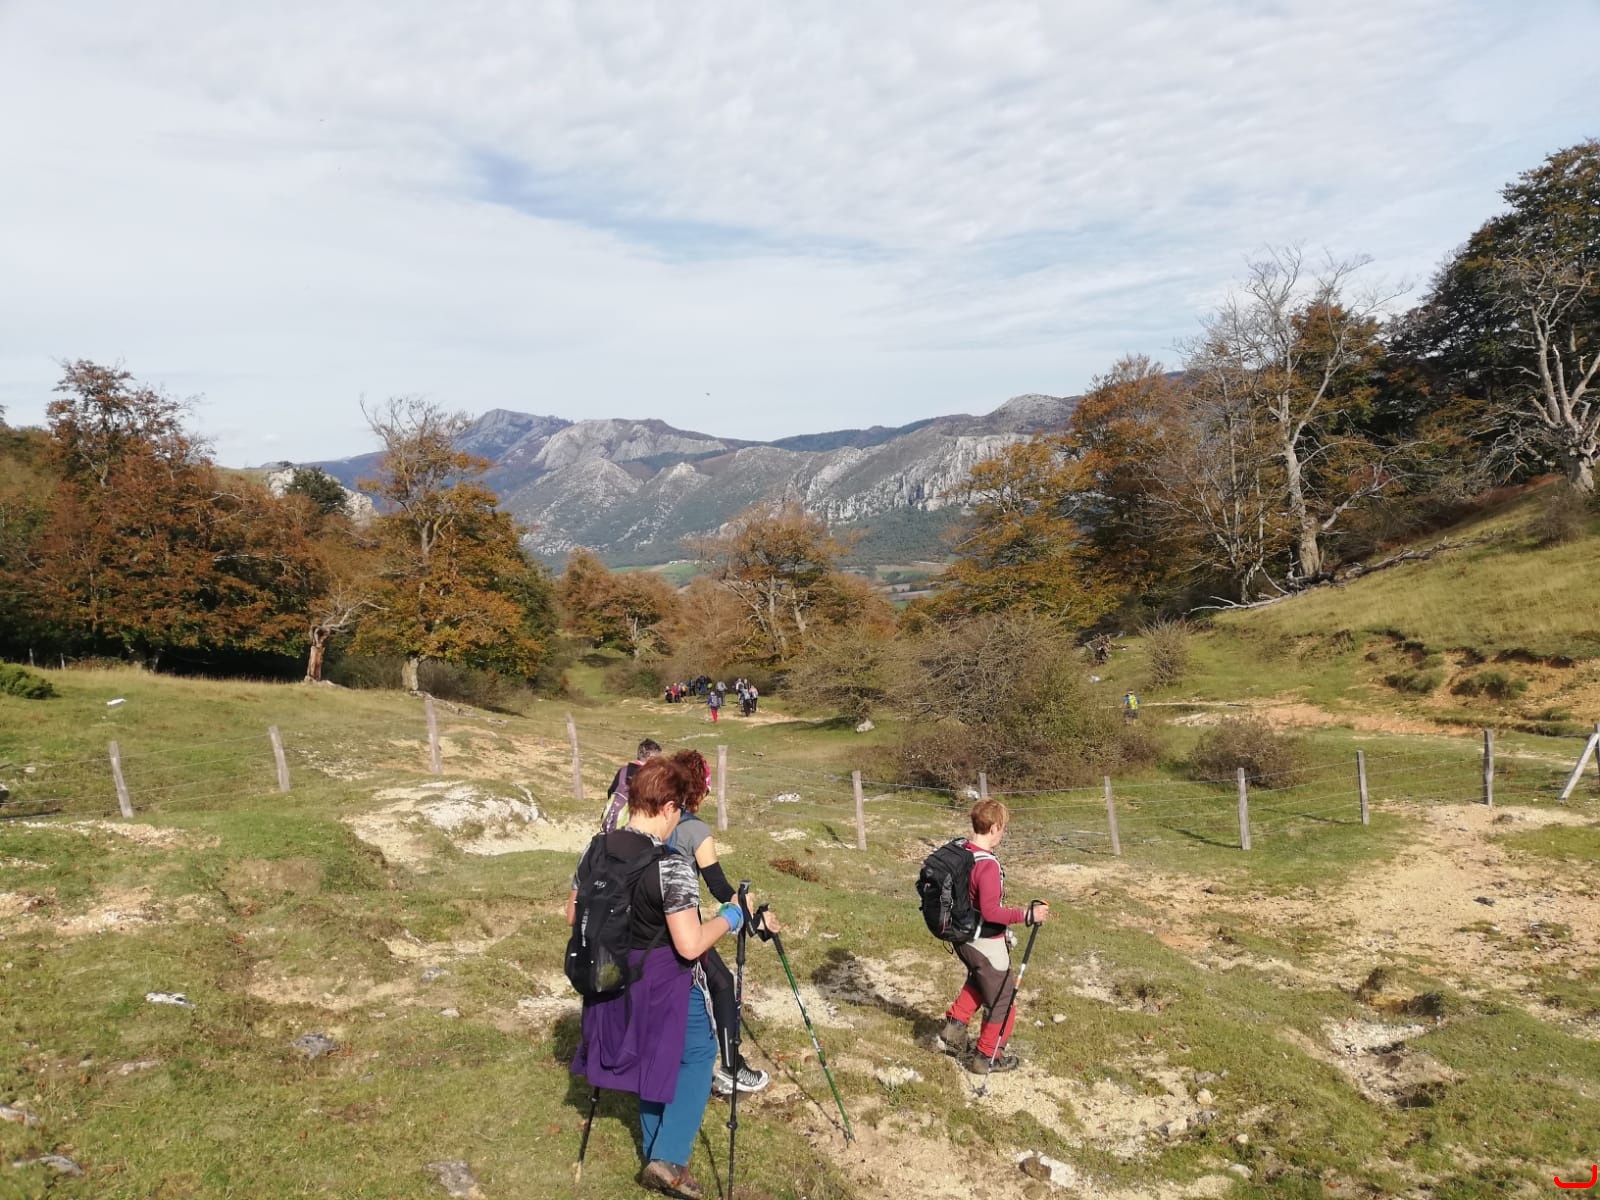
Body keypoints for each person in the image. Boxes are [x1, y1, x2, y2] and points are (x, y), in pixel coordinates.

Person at [568, 755, 744, 1200]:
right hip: (663, 981)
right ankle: (668, 1157)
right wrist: (730, 918)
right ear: (667, 807)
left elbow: (572, 912)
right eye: (679, 810)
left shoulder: (595, 849)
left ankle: (656, 1156)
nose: (679, 820)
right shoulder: (670, 865)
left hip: (611, 974)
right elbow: (690, 944)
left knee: (650, 1058)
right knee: (698, 1052)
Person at [666, 749, 774, 1096]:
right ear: (698, 788)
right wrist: (748, 913)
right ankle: (731, 1067)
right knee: (722, 983)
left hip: (642, 928)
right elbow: (718, 885)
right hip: (682, 928)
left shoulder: (652, 818)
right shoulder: (694, 830)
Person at [937, 798, 1049, 1074]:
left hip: (962, 939)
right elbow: (990, 911)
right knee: (1003, 1002)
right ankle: (987, 1057)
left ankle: (954, 1027)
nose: (1003, 833)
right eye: (1003, 828)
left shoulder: (962, 851)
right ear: (995, 828)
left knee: (980, 979)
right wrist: (1028, 915)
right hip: (985, 942)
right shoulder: (986, 865)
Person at [601, 740, 662, 833]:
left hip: (616, 824)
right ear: (650, 757)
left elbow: (611, 793)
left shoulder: (623, 771)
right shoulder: (651, 776)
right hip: (639, 827)